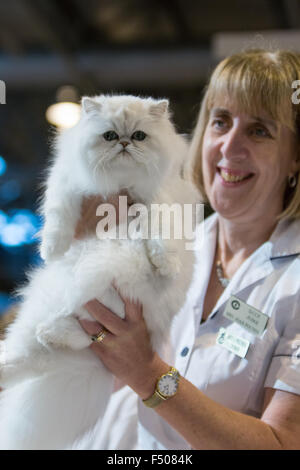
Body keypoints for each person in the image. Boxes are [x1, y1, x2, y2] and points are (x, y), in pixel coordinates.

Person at [77, 48, 300, 450]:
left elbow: (282, 443)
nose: (229, 147)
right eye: (221, 121)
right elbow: (104, 371)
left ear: (295, 157)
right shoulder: (169, 243)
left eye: (259, 130)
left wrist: (149, 374)